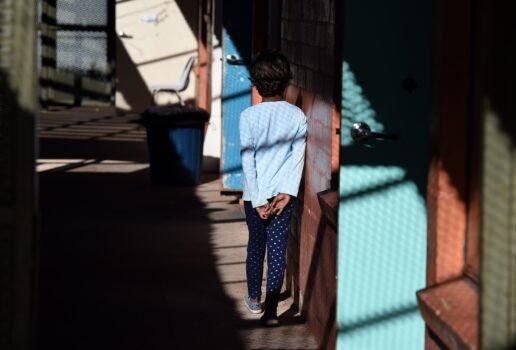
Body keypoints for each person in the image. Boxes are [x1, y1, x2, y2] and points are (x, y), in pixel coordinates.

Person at [239, 50, 307, 326]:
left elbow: (247, 160)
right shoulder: (297, 115)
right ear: (285, 83)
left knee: (256, 247)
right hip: (283, 197)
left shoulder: (248, 116)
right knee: (278, 250)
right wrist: (287, 193)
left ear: (255, 83)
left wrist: (256, 200)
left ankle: (254, 299)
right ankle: (271, 312)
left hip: (253, 197)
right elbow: (297, 157)